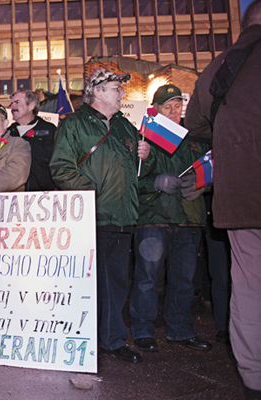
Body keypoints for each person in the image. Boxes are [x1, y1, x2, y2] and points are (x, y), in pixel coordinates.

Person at [185, 2, 261, 397]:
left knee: (249, 286)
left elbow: (194, 124)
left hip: (242, 192)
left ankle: (253, 379)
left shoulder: (220, 66)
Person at [50, 68, 151, 364]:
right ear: (97, 91)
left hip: (122, 216)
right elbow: (61, 167)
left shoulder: (125, 126)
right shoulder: (74, 124)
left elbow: (138, 171)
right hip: (89, 216)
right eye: (116, 88)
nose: (122, 93)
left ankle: (111, 339)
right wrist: (90, 193)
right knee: (87, 285)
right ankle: (83, 339)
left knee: (117, 282)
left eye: (121, 88)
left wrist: (146, 154)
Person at [129, 84, 212, 354]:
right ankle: (143, 330)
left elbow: (207, 170)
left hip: (188, 219)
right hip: (153, 219)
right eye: (168, 106)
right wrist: (155, 182)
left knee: (185, 280)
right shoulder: (144, 138)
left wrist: (203, 187)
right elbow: (130, 181)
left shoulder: (195, 137)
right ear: (157, 110)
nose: (174, 110)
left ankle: (180, 330)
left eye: (178, 105)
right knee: (147, 279)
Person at [8, 89, 57, 191]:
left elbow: (59, 162)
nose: (12, 107)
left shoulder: (50, 130)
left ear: (31, 106)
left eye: (17, 103)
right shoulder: (8, 134)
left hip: (44, 195)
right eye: (11, 104)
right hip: (13, 197)